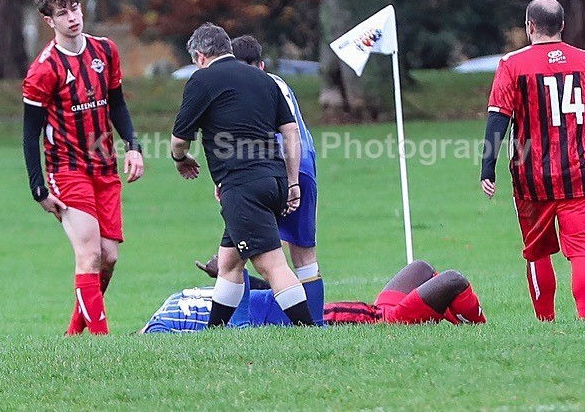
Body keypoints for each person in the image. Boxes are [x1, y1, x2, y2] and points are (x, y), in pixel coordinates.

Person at [480, 0, 585, 321]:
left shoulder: (512, 64)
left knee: (537, 251)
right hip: (580, 174)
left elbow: (497, 119)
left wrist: (488, 167)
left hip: (531, 179)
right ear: (562, 26)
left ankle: (546, 321)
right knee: (582, 249)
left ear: (530, 27)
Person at [171, 23, 316, 327]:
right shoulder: (264, 80)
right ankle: (215, 331)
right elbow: (290, 132)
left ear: (199, 56)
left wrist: (180, 159)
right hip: (274, 179)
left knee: (271, 265)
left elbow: (180, 138)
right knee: (229, 261)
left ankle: (309, 329)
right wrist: (291, 182)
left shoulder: (202, 80)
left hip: (242, 183)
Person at [22, 0, 144, 335]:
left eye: (75, 9)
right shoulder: (43, 70)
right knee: (89, 255)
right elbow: (30, 134)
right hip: (67, 169)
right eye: (63, 13)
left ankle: (75, 334)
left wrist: (133, 146)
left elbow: (117, 104)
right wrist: (38, 188)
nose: (73, 17)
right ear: (50, 21)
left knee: (109, 258)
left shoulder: (105, 51)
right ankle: (100, 343)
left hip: (104, 167)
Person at [230, 35, 323, 325]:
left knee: (239, 250)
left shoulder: (250, 90)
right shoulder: (280, 83)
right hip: (306, 168)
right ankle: (315, 323)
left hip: (274, 172)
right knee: (304, 254)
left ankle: (240, 322)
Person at [141, 257, 485, 332]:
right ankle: (479, 328)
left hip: (365, 309)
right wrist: (236, 274)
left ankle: (449, 319)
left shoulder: (175, 299)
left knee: (421, 267)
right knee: (452, 279)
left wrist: (230, 277)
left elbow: (261, 294)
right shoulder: (163, 331)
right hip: (377, 325)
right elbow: (237, 331)